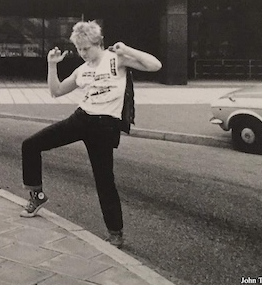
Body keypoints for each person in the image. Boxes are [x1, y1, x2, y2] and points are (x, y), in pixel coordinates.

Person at [20, 20, 161, 248]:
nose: (83, 53)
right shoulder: (82, 70)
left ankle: (116, 233)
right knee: (30, 145)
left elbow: (155, 65)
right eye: (79, 49)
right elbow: (56, 91)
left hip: (105, 127)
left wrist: (127, 49)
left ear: (98, 43)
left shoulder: (116, 59)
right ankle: (36, 196)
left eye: (87, 48)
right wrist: (52, 65)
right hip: (81, 118)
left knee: (104, 180)